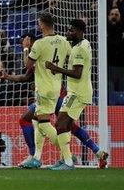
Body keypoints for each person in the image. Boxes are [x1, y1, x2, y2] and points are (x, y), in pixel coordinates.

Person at [45, 19, 109, 170]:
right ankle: (98, 152)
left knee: (60, 124)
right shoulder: (83, 43)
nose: (68, 32)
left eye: (71, 30)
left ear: (80, 32)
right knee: (67, 125)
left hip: (77, 93)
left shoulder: (79, 49)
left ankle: (67, 162)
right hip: (77, 91)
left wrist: (56, 68)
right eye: (68, 30)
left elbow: (77, 73)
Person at [20, 12, 70, 169]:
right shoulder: (63, 41)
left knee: (43, 124)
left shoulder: (39, 44)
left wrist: (26, 48)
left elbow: (27, 65)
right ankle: (36, 157)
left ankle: (66, 154)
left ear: (42, 24)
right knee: (35, 120)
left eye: (38, 23)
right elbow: (70, 57)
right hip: (57, 87)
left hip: (43, 88)